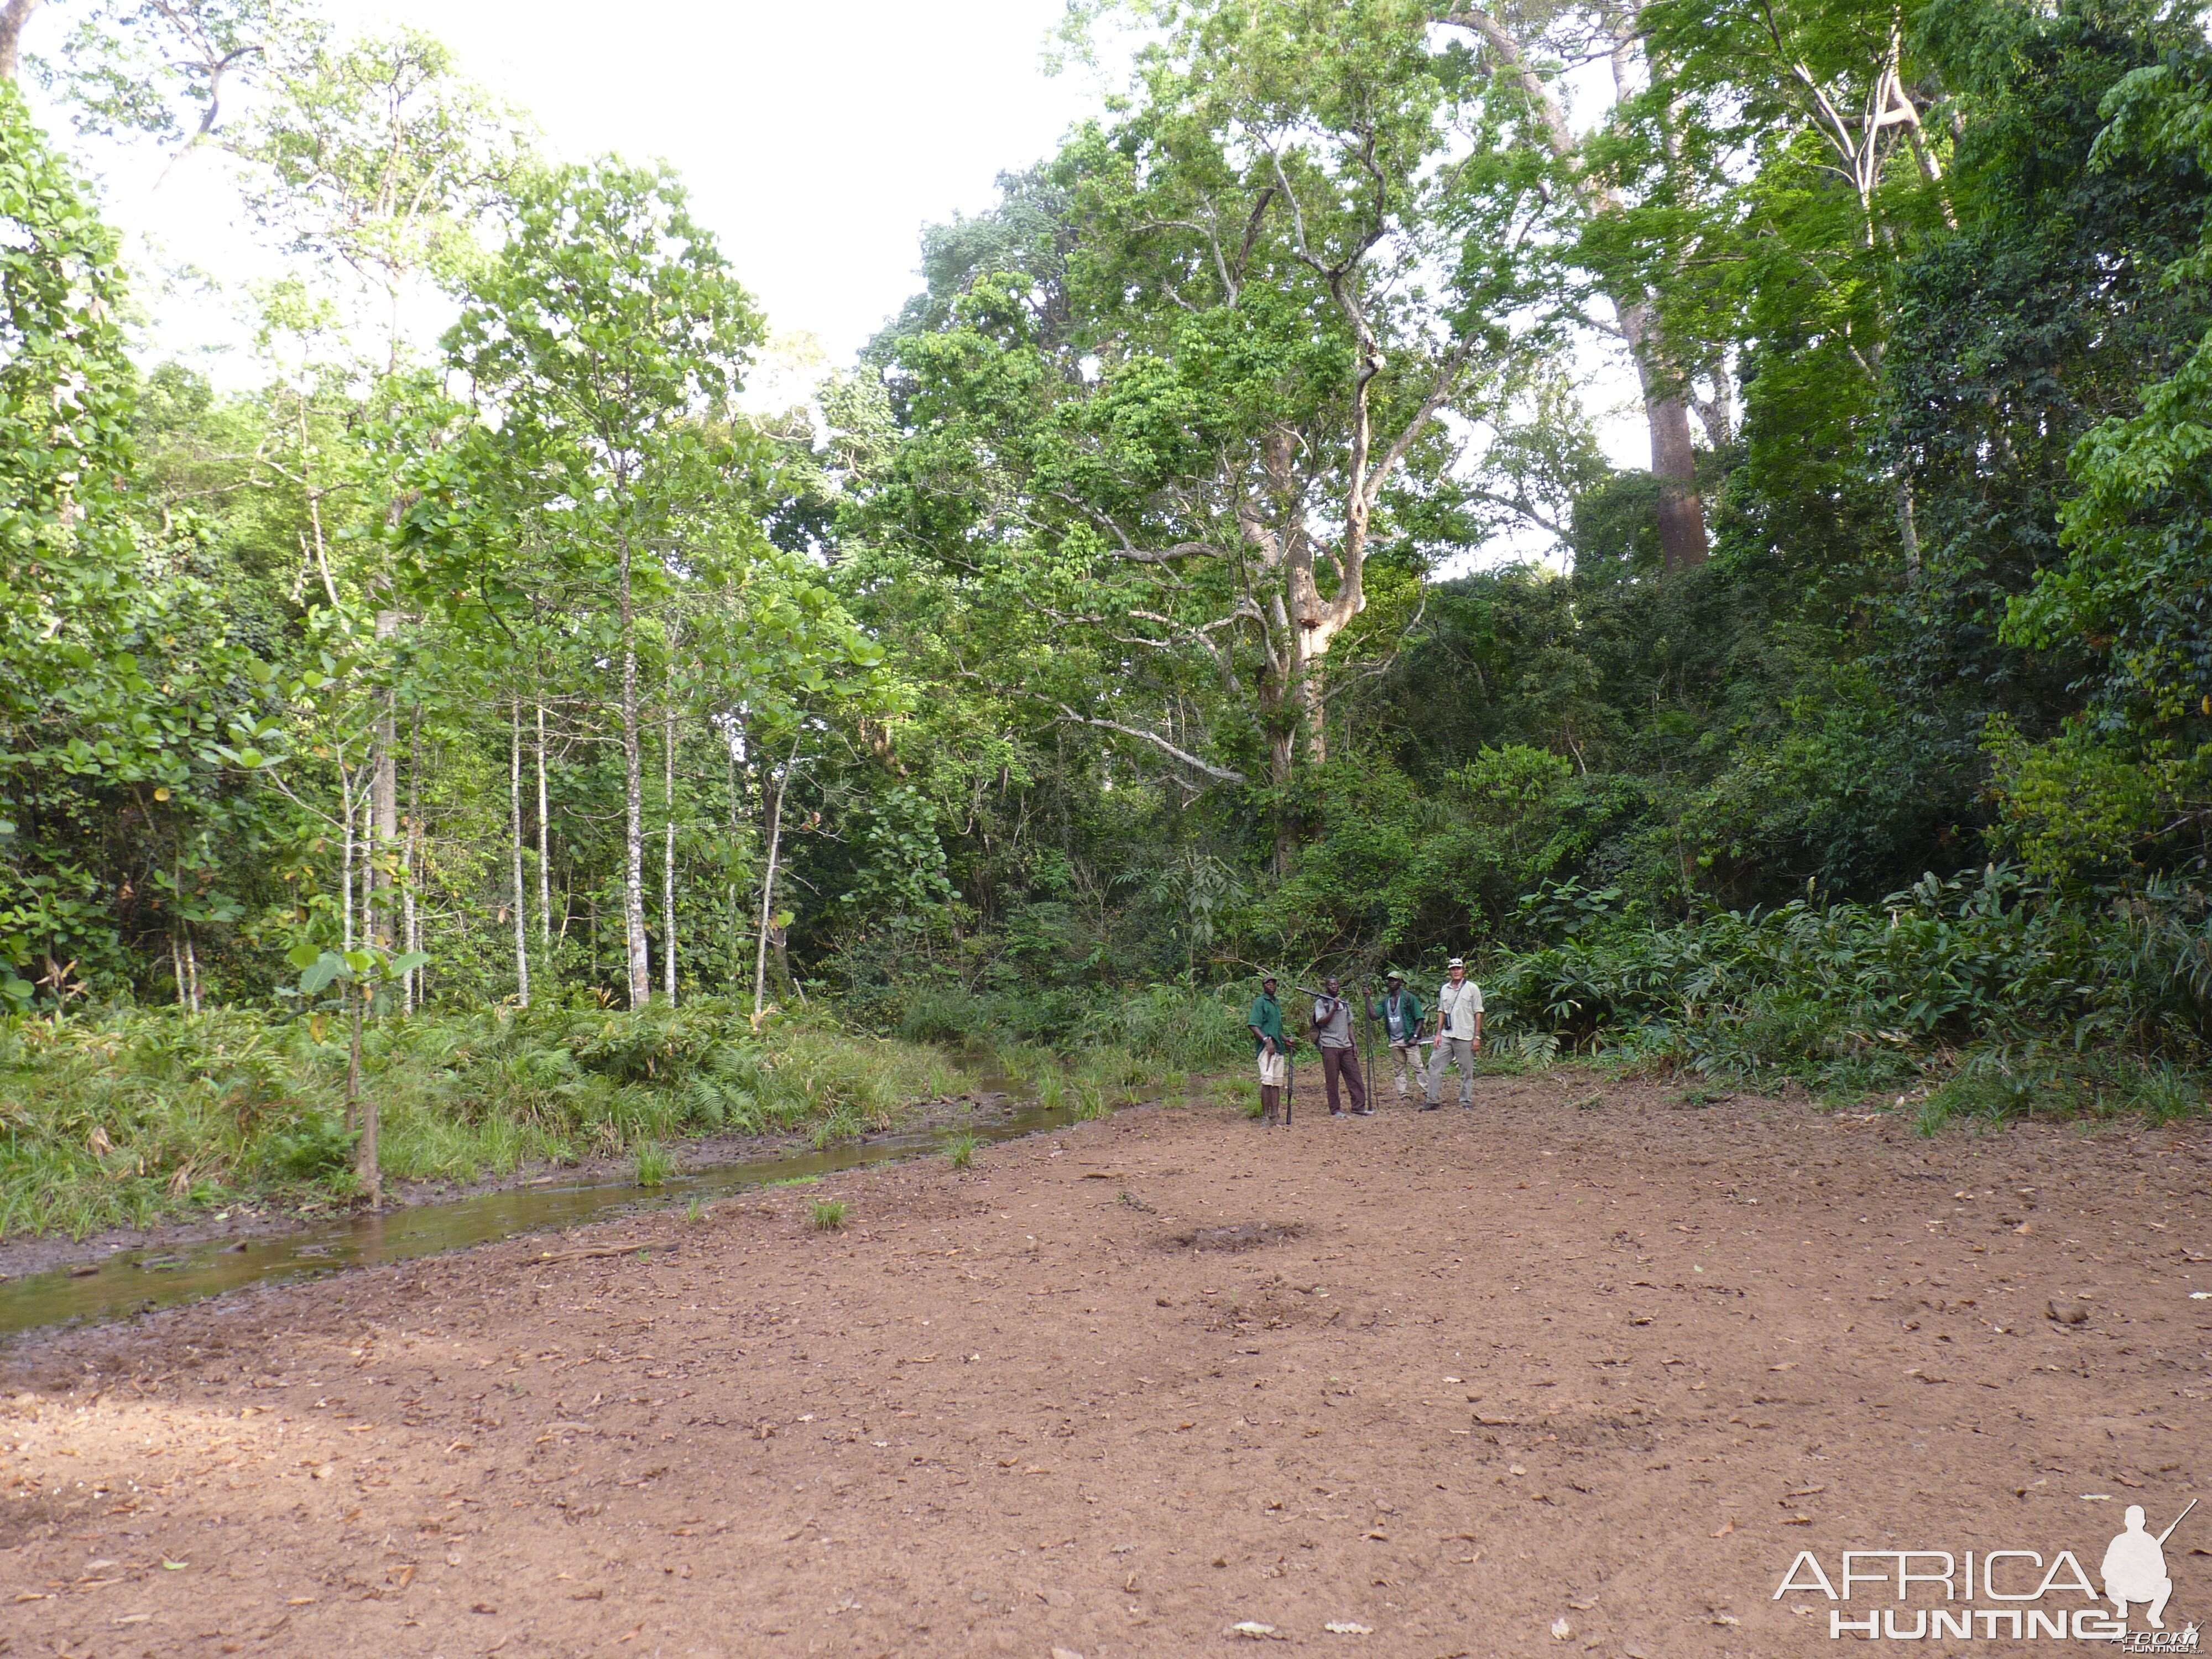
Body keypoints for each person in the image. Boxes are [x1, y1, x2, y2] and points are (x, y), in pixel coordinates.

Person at [1422, 956, 1484, 1110]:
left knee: (1466, 1070)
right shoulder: (1445, 989)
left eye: (1458, 968)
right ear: (1450, 971)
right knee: (1435, 1064)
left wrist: (1477, 1037)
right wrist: (1438, 1034)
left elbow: (1478, 1013)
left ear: (1463, 970)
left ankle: (1465, 1100)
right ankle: (1433, 1099)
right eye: (1453, 969)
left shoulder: (1472, 989)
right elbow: (1442, 1012)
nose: (1456, 971)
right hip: (1447, 1035)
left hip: (1465, 1035)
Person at [2102, 1504, 2178, 1629]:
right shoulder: (2119, 1541)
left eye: (2137, 1520)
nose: (2134, 1523)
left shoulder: (2151, 1542)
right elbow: (2106, 1569)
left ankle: (2154, 1615)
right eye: (2132, 1520)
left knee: (2166, 1584)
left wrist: (2145, 1570)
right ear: (2126, 1522)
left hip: (2145, 1589)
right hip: (2123, 1588)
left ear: (2143, 1522)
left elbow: (2162, 1571)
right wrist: (2122, 1571)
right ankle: (2122, 1606)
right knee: (2109, 1584)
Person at [1311, 975, 1370, 1115]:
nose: (1334, 987)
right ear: (1327, 987)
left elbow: (1349, 1024)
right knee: (1332, 1079)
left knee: (1355, 1077)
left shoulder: (1345, 1003)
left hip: (1346, 1045)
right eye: (1331, 985)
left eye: (1336, 984)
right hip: (1329, 1044)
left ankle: (1359, 1107)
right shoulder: (1322, 1002)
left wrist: (1354, 1044)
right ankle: (1335, 1109)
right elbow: (1321, 1022)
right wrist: (1334, 1008)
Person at [1369, 970, 1425, 1103]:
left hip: (1409, 1039)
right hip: (1395, 1040)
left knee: (1418, 1067)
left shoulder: (1409, 998)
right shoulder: (1385, 1001)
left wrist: (1415, 1036)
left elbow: (1420, 1019)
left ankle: (1428, 1092)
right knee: (1399, 1069)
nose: (1392, 983)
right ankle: (1404, 1095)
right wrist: (1368, 999)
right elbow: (1375, 1016)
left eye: (1395, 980)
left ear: (1400, 982)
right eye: (1390, 980)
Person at [1247, 973, 1290, 1128]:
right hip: (1267, 1048)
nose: (1271, 986)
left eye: (1274, 984)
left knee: (1277, 1083)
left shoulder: (1276, 1003)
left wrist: (1285, 1039)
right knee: (1267, 1081)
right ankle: (1265, 1117)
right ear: (1264, 986)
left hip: (1278, 1047)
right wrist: (1266, 1041)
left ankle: (1275, 1116)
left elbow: (1276, 1028)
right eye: (1268, 984)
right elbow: (1253, 1025)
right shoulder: (1260, 1002)